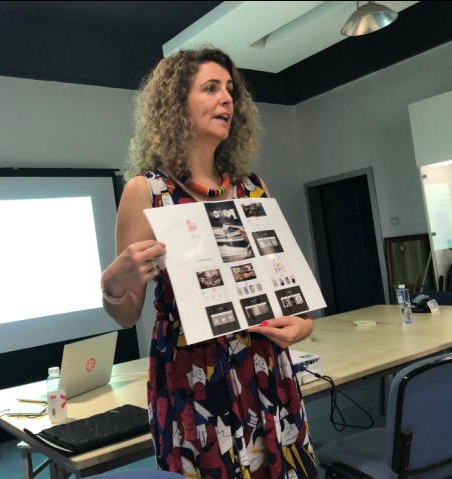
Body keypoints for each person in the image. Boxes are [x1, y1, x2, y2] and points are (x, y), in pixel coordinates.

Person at [100, 48, 317, 479]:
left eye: (230, 90)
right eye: (211, 88)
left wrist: (303, 324)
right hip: (194, 381)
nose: (227, 99)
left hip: (265, 368)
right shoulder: (147, 191)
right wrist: (112, 285)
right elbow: (126, 313)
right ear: (177, 104)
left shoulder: (253, 187)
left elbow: (282, 290)